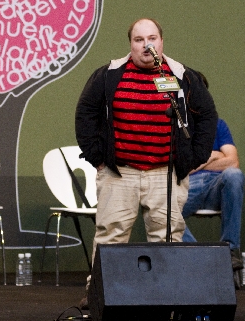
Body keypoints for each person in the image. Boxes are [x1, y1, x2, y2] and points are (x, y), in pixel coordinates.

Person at [75, 18, 218, 261]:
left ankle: (166, 288)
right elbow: (85, 113)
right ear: (130, 44)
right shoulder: (108, 75)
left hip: (166, 173)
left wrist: (192, 159)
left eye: (152, 39)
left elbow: (207, 116)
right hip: (119, 173)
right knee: (110, 238)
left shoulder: (182, 76)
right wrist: (97, 159)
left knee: (167, 240)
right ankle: (101, 287)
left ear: (161, 42)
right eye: (139, 40)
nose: (146, 45)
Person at [182, 74, 245, 286]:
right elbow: (181, 167)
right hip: (187, 187)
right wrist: (214, 155)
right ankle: (204, 259)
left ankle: (230, 250)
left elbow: (233, 162)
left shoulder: (218, 125)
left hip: (217, 187)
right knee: (161, 210)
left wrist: (199, 159)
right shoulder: (176, 127)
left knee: (234, 175)